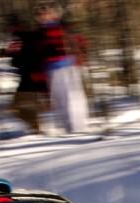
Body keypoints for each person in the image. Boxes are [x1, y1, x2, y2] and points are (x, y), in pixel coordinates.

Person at [34, 2, 89, 133]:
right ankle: (68, 128)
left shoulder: (63, 28)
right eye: (42, 14)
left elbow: (80, 42)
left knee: (75, 97)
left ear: (54, 14)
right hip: (52, 69)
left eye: (47, 13)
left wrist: (81, 58)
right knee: (60, 100)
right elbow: (37, 54)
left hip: (70, 66)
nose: (45, 16)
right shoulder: (40, 33)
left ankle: (79, 127)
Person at [5, 15, 48, 134]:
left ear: (16, 26)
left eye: (10, 26)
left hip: (29, 76)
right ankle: (36, 128)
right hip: (36, 75)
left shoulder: (18, 38)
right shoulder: (31, 35)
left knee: (16, 107)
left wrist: (12, 56)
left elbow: (16, 60)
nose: (9, 29)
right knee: (27, 105)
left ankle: (36, 128)